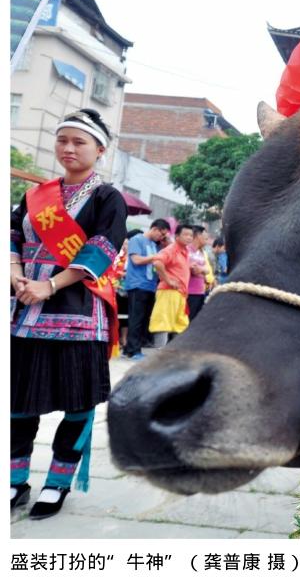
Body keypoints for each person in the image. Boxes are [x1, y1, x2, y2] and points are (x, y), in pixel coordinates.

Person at [10, 108, 127, 518]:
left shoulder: (107, 197)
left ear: (100, 149)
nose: (69, 148)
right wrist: (16, 274)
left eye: (79, 142)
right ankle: (14, 480)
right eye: (63, 140)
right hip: (25, 311)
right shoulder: (35, 196)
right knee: (18, 402)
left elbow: (102, 249)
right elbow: (12, 237)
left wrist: (50, 284)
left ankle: (57, 482)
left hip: (78, 314)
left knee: (77, 405)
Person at [121, 219, 170, 360]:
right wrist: (155, 257)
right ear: (154, 229)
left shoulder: (155, 246)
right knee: (136, 319)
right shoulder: (137, 240)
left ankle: (131, 349)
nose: (162, 237)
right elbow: (136, 260)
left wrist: (166, 241)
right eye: (161, 234)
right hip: (137, 284)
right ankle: (133, 351)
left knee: (143, 320)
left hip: (150, 286)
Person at [148, 224, 194, 344]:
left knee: (180, 324)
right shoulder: (172, 249)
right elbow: (157, 262)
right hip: (168, 291)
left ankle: (174, 355)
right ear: (177, 236)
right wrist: (168, 280)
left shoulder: (184, 251)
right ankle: (159, 353)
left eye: (191, 235)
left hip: (179, 293)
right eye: (186, 234)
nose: (189, 237)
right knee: (163, 323)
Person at [185, 225, 211, 321]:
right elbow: (192, 270)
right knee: (187, 320)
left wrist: (201, 270)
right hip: (189, 292)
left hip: (200, 292)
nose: (207, 239)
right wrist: (202, 270)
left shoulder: (200, 253)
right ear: (198, 235)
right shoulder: (186, 250)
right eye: (205, 236)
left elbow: (207, 270)